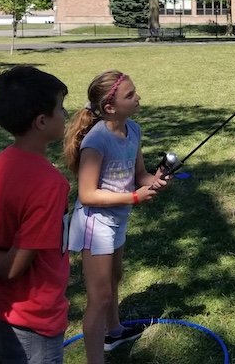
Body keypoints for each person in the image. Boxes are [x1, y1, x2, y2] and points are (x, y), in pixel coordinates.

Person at [0, 66, 70, 364]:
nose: (65, 114)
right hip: (31, 323)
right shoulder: (50, 184)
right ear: (41, 121)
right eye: (60, 108)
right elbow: (11, 267)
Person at [63, 70, 168, 364]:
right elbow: (87, 194)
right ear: (110, 107)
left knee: (115, 277)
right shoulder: (96, 141)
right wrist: (134, 197)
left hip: (118, 216)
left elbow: (139, 175)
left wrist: (154, 180)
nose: (138, 97)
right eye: (130, 95)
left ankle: (114, 331)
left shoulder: (133, 129)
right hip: (95, 222)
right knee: (100, 298)